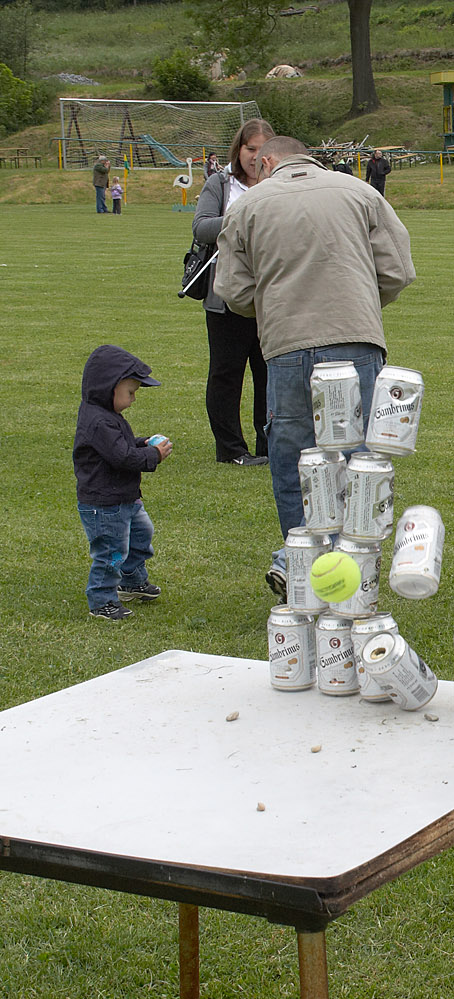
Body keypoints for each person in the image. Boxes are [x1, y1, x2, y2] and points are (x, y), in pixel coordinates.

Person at [214, 136, 416, 598]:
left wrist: (273, 307)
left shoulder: (247, 206)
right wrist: (360, 302)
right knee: (359, 462)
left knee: (294, 461)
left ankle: (301, 561)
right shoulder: (360, 192)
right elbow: (397, 270)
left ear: (268, 161)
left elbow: (233, 289)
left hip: (286, 346)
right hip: (357, 338)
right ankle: (355, 573)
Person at [192, 117, 275, 468]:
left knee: (271, 374)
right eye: (249, 148)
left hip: (271, 294)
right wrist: (242, 217)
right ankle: (231, 450)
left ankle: (270, 445)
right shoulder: (220, 183)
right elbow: (201, 227)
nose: (255, 157)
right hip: (226, 296)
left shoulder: (282, 183)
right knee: (226, 374)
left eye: (262, 150)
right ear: (238, 149)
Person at [74, 345, 172, 622]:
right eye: (130, 392)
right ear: (110, 387)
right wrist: (153, 455)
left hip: (124, 498)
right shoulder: (98, 421)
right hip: (105, 504)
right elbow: (122, 457)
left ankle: (132, 582)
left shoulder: (108, 416)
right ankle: (102, 600)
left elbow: (122, 446)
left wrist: (143, 443)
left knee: (141, 536)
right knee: (111, 552)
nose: (133, 399)